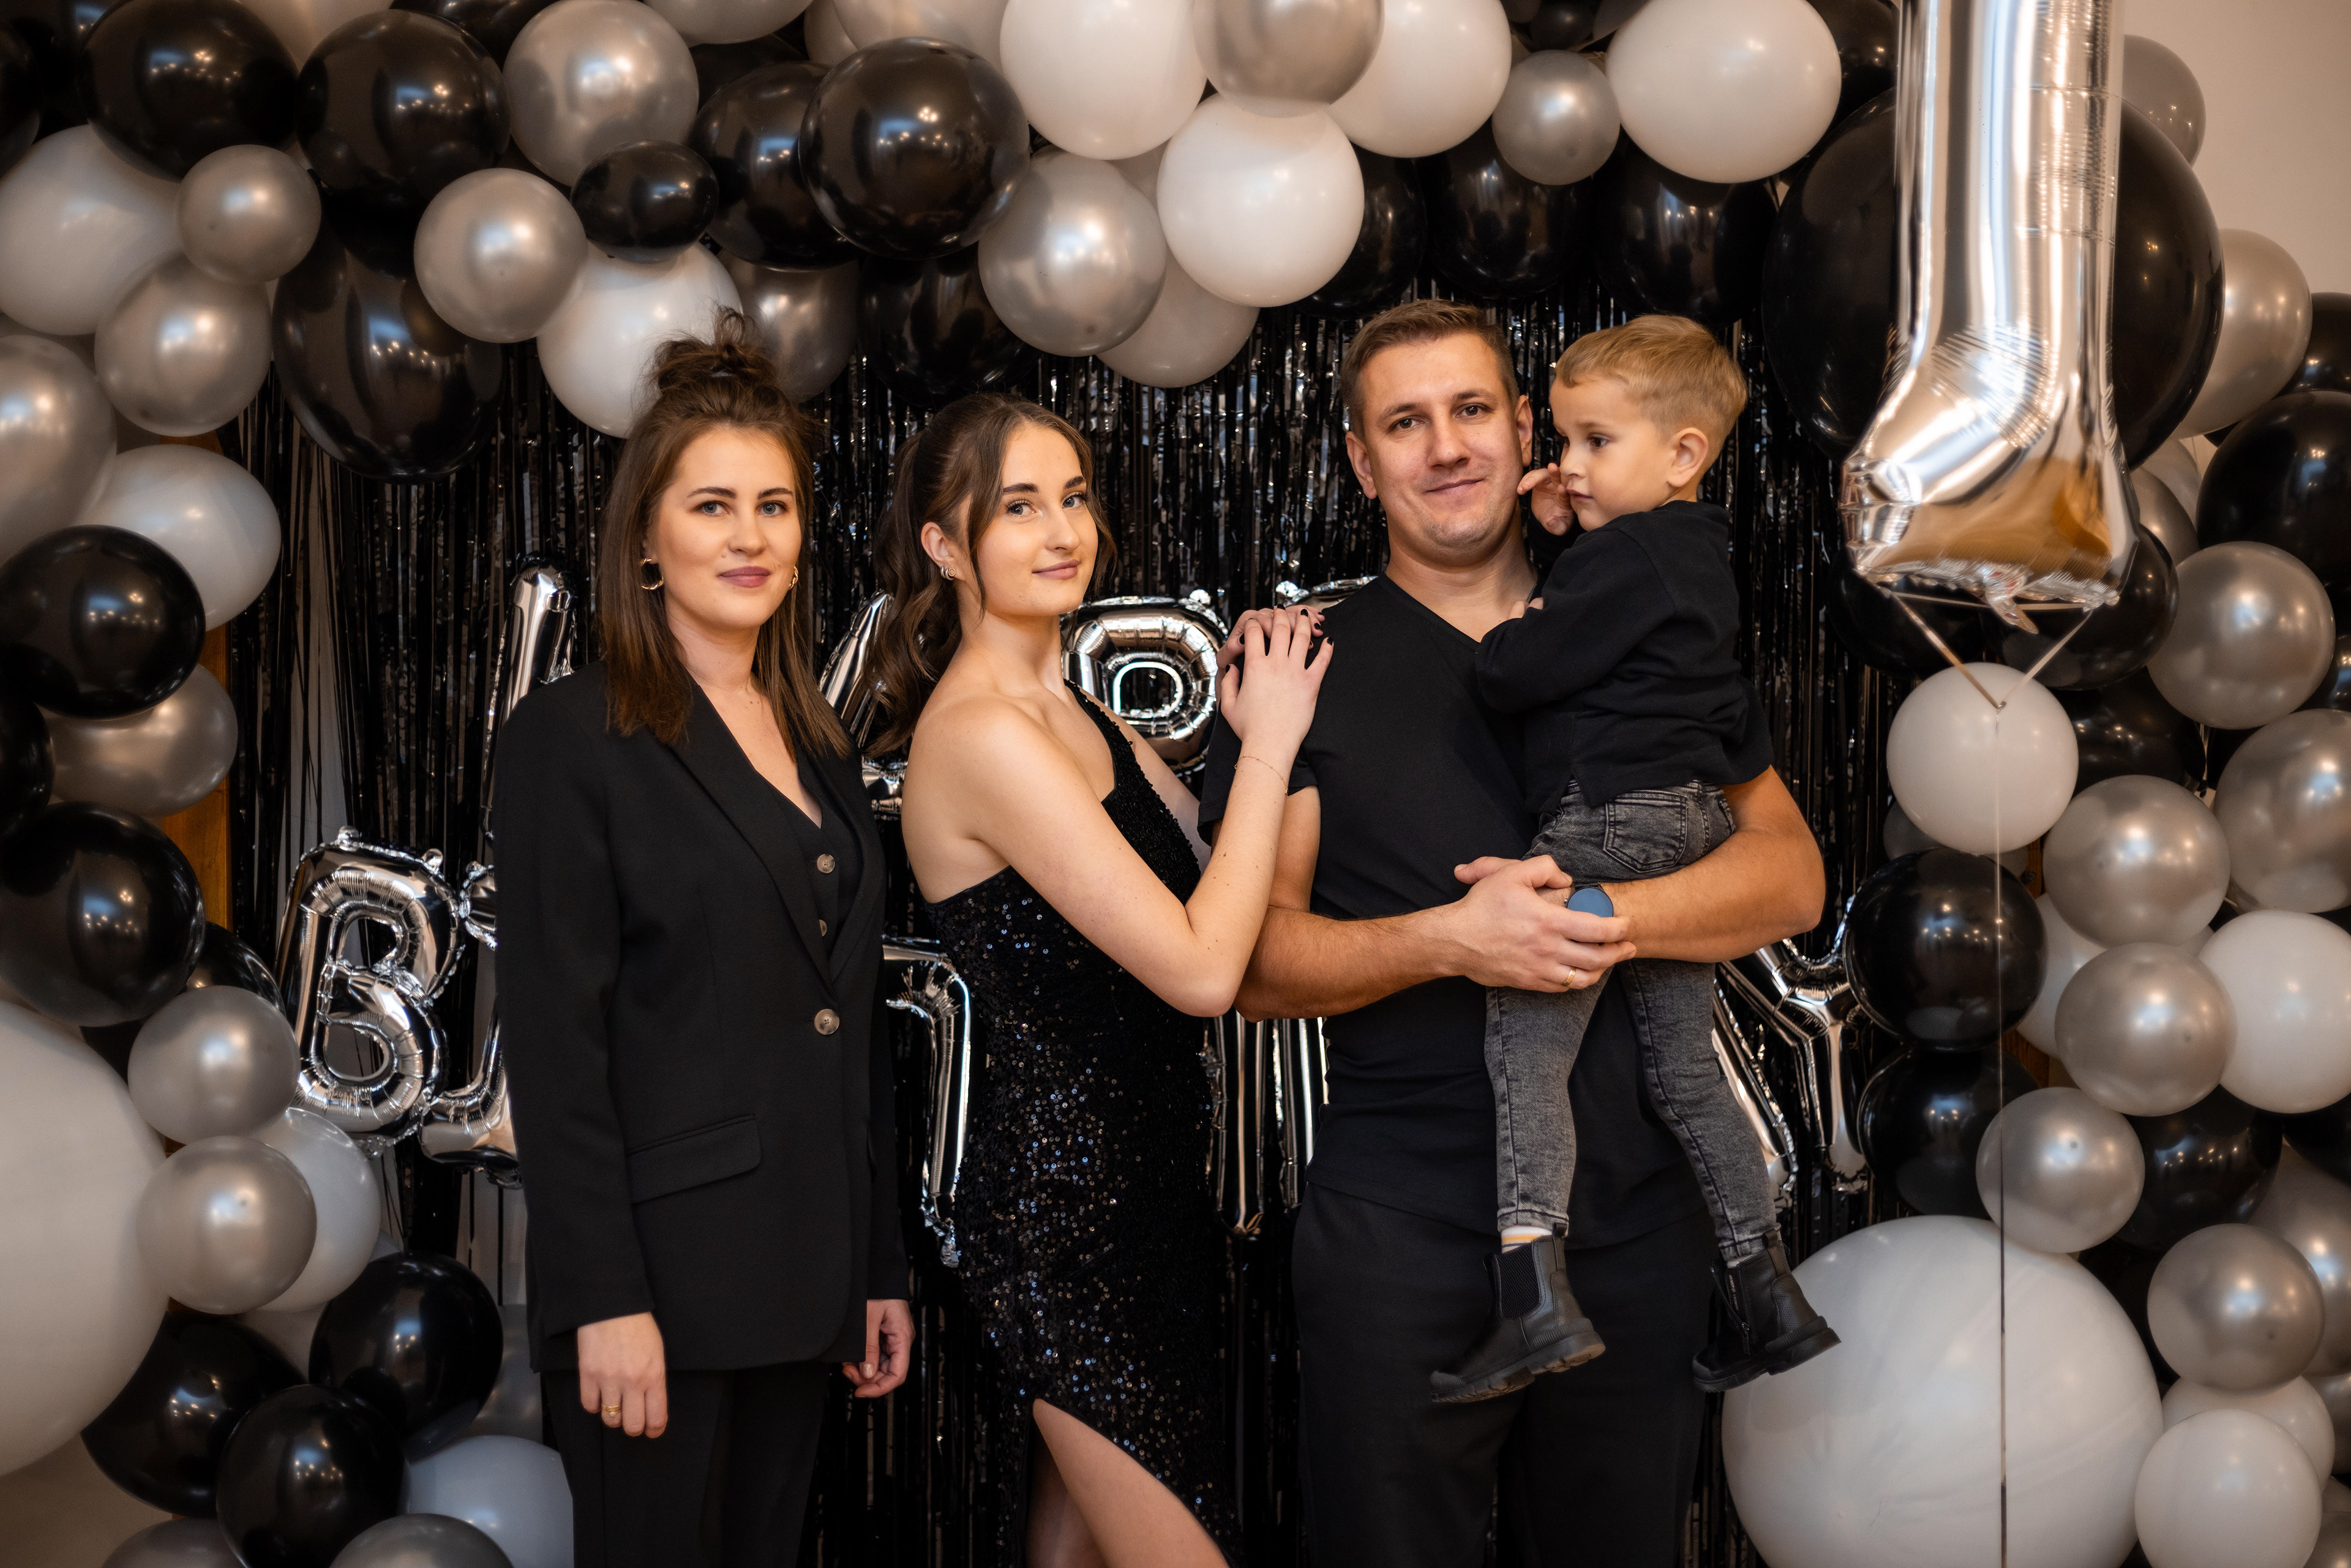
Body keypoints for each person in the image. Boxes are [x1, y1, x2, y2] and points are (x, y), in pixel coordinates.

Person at [1198, 299, 1826, 1567]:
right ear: (1363, 462)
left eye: (1473, 409)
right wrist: (1454, 940)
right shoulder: (1301, 668)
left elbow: (1792, 880)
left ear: (1527, 428)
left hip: (1638, 1232)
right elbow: (1256, 963)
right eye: (1405, 424)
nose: (1447, 447)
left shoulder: (1647, 605)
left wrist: (1600, 919)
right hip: (1406, 1232)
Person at [865, 392, 1329, 1567]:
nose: (1065, 529)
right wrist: (1270, 742)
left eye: (1073, 497)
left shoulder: (1077, 713)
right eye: (1020, 506)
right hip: (1065, 1223)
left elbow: (1232, 877)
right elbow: (1203, 968)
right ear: (944, 544)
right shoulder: (981, 734)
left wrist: (1270, 734)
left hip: (1150, 1197)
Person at [498, 315, 911, 1567]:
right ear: (645, 538)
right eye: (713, 506)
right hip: (657, 1292)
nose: (750, 537)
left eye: (774, 507)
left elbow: (849, 1022)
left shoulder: (820, 741)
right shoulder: (572, 737)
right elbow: (557, 1051)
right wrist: (604, 1300)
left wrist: (875, 1266)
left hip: (804, 1274)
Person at [1433, 315, 1837, 1403]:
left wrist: (1525, 612)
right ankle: (1767, 1294)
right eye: (1564, 441)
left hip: (1610, 818)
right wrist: (1583, 528)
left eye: (1595, 442)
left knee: (1526, 1044)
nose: (1567, 465)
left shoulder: (1626, 557)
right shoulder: (1692, 556)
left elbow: (1516, 671)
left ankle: (1534, 1296)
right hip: (1690, 819)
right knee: (1684, 1069)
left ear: (1684, 453)